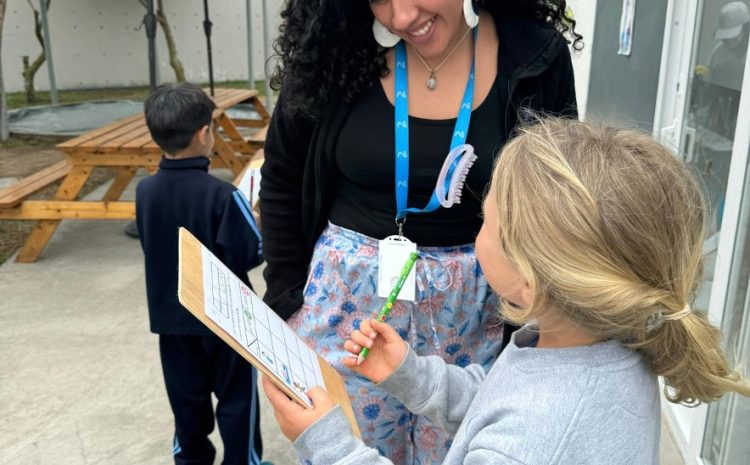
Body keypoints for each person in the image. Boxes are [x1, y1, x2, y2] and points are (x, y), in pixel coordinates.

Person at [263, 117, 750, 465]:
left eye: (487, 222)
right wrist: (411, 375)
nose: (478, 234)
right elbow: (500, 398)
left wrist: (325, 441)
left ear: (529, 279)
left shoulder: (533, 441)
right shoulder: (599, 343)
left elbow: (518, 424)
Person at [260, 1, 580, 462]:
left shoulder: (534, 56)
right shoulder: (333, 48)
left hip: (478, 317)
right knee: (340, 449)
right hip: (345, 313)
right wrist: (286, 301)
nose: (402, 17)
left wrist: (538, 324)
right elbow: (283, 177)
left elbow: (556, 201)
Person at [135, 82, 265, 465]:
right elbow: (250, 253)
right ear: (205, 133)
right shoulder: (223, 196)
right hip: (227, 323)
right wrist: (256, 221)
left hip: (172, 321)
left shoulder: (145, 192)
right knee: (238, 402)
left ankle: (191, 460)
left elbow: (151, 244)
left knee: (187, 406)